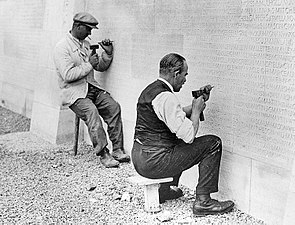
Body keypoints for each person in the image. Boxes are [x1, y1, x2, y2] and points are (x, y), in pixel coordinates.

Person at [131, 53, 234, 216]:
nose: (185, 79)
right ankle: (203, 202)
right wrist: (196, 111)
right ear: (176, 73)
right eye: (185, 75)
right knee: (213, 143)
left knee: (171, 141)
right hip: (154, 163)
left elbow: (174, 116)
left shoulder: (152, 90)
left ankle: (164, 191)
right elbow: (189, 135)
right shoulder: (166, 97)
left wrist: (194, 106)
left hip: (140, 158)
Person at [53, 12, 130, 168]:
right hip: (74, 93)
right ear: (77, 26)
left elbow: (100, 66)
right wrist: (89, 64)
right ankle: (104, 154)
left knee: (113, 107)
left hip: (91, 88)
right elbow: (68, 75)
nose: (90, 33)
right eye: (88, 29)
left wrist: (107, 53)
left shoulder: (85, 44)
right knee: (91, 112)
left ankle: (117, 149)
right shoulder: (62, 47)